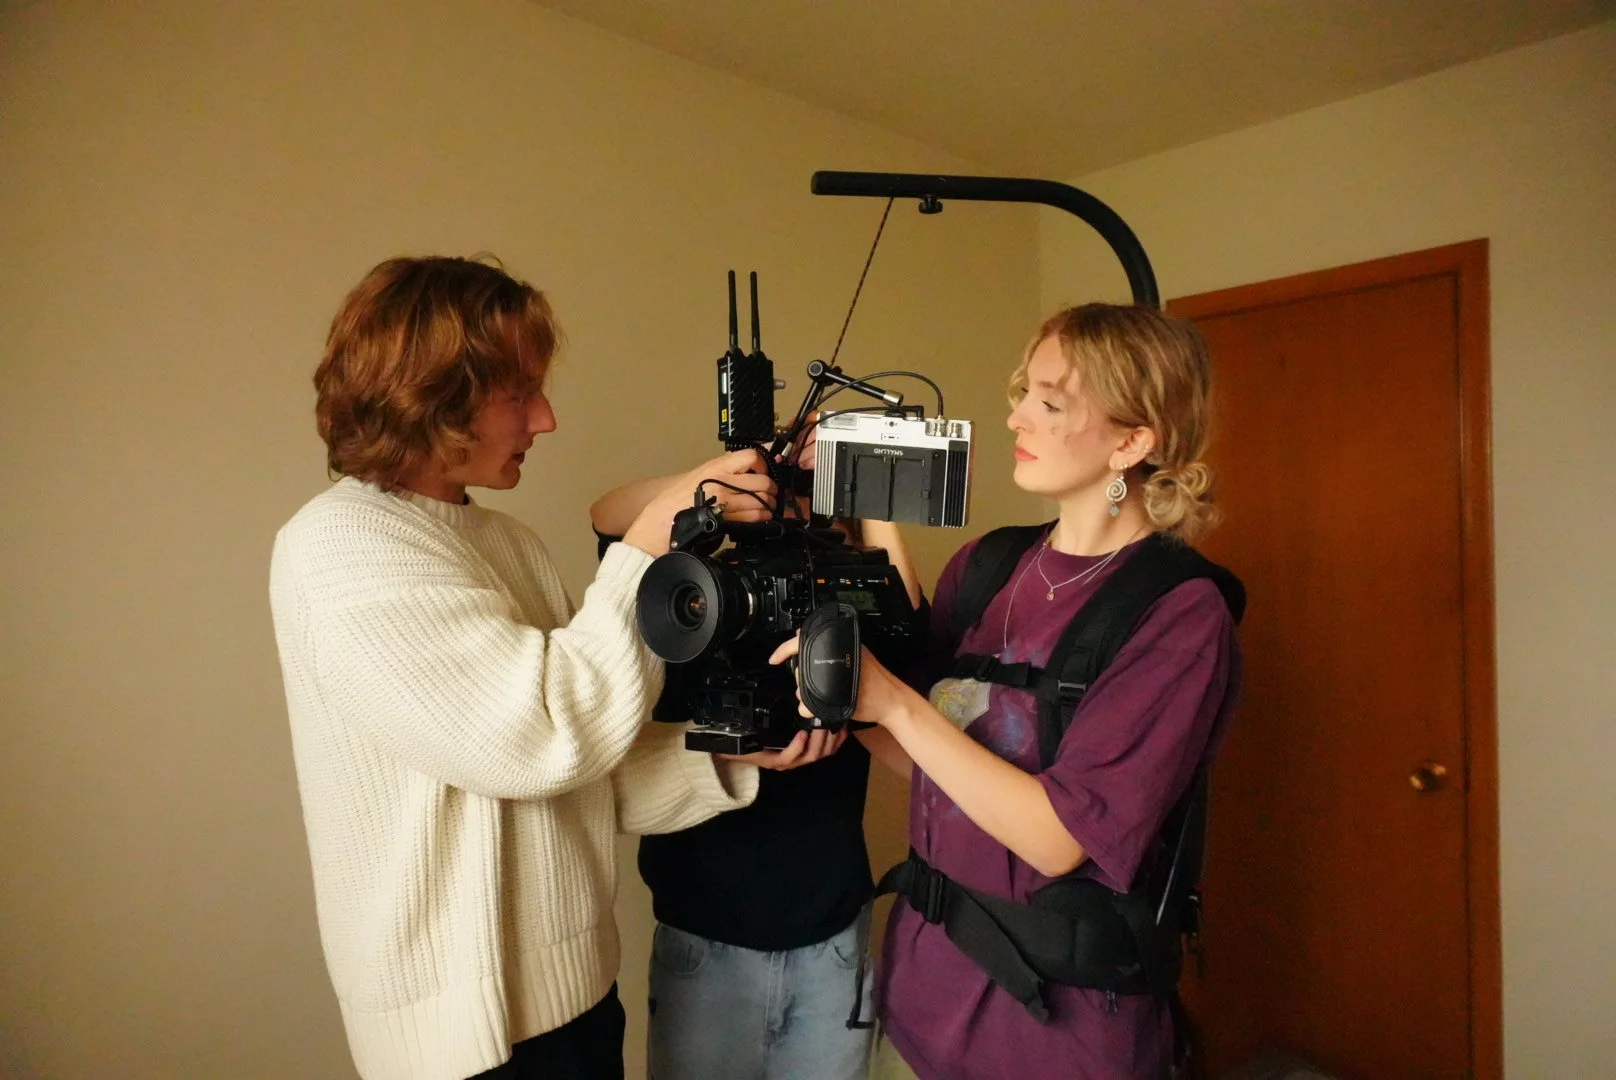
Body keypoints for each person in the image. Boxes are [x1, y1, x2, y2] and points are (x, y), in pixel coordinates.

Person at [268, 255, 838, 1080]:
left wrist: (722, 754)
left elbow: (579, 773)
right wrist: (649, 542)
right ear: (435, 396)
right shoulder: (342, 546)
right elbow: (540, 737)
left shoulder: (507, 543)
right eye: (518, 393)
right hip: (464, 1039)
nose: (546, 419)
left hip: (576, 1002)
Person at [772, 303, 1245, 1080]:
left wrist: (890, 700)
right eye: (1025, 389)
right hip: (920, 1005)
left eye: (1051, 402)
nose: (1016, 413)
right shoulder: (990, 566)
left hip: (1053, 1036)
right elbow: (919, 753)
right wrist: (831, 691)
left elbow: (1060, 838)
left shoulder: (1178, 614)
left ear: (1132, 441)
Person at [588, 470, 922, 1080]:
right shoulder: (693, 592)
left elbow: (913, 648)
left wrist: (865, 492)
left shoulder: (853, 617)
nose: (789, 527)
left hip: (830, 938)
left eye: (815, 516)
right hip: (702, 936)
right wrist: (724, 478)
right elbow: (609, 512)